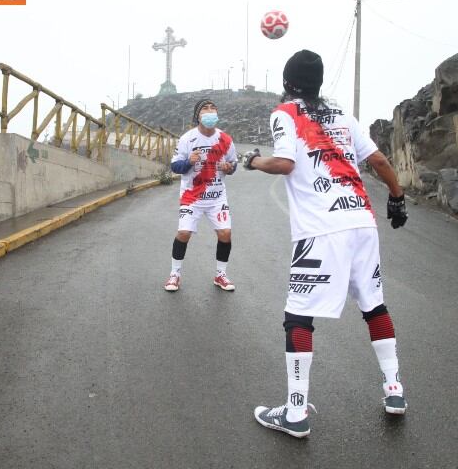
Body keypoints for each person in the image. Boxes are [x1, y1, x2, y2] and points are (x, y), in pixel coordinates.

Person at [242, 50, 410, 438]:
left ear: (287, 83)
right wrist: (397, 197)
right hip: (361, 221)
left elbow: (284, 163)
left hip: (321, 229)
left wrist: (253, 162)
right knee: (374, 305)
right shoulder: (342, 115)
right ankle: (395, 390)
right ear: (318, 83)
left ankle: (296, 413)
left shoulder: (285, 112)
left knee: (298, 317)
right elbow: (380, 161)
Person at [164, 99, 239, 292]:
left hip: (216, 197)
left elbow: (234, 165)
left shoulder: (225, 139)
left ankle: (220, 274)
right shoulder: (187, 139)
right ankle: (175, 274)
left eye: (213, 108)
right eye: (205, 109)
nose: (210, 111)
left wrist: (228, 168)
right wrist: (189, 161)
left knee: (225, 234)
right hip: (192, 197)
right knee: (184, 233)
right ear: (198, 115)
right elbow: (175, 166)